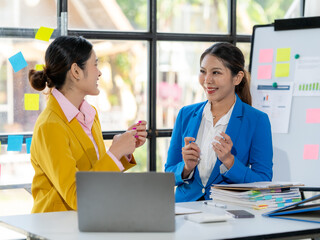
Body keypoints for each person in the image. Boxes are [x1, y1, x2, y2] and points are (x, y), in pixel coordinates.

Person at [28, 36, 147, 213]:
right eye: (95, 64)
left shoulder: (90, 114)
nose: (99, 73)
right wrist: (115, 153)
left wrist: (123, 150)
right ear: (76, 71)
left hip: (89, 222)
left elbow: (96, 175)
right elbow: (77, 195)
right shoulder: (50, 125)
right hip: (56, 230)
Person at [165, 42, 273, 202]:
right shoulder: (185, 115)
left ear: (237, 78)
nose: (207, 80)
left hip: (228, 214)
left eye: (216, 72)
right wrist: (186, 168)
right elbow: (168, 175)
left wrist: (229, 161)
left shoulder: (257, 120)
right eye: (203, 72)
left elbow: (263, 182)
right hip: (185, 211)